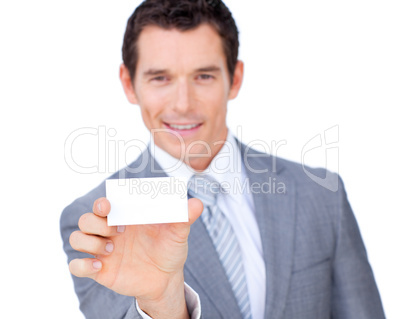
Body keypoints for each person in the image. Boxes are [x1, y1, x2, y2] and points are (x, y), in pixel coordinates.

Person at [60, 0, 385, 318]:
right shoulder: (98, 223)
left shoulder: (321, 196)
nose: (183, 104)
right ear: (130, 84)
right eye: (160, 78)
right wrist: (162, 302)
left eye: (203, 76)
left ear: (236, 78)